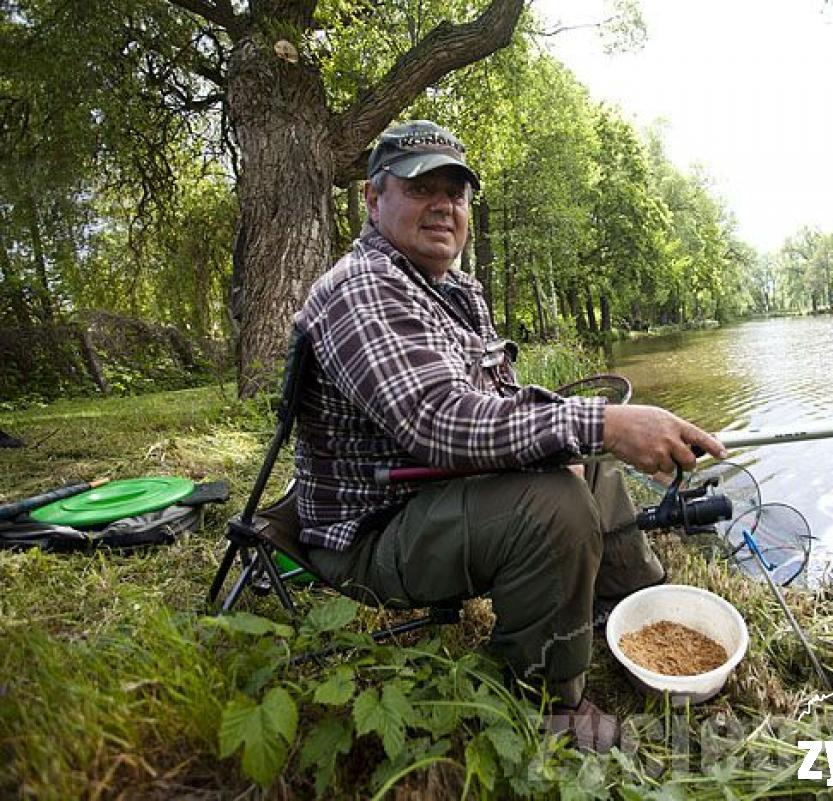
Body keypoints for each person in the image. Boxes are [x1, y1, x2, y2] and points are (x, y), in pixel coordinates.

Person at [293, 120, 725, 748]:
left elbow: (501, 400)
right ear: (372, 197)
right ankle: (547, 705)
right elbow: (437, 420)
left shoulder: (456, 292)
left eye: (457, 193)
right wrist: (606, 422)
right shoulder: (360, 288)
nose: (444, 206)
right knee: (554, 505)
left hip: (433, 495)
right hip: (372, 533)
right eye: (422, 189)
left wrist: (592, 433)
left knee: (588, 460)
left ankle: (630, 608)